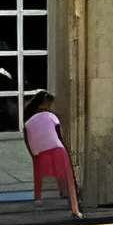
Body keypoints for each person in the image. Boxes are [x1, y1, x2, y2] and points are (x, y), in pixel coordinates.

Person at [22, 89, 80, 217]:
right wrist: (67, 152)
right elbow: (59, 136)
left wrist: (33, 154)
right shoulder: (51, 117)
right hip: (57, 149)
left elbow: (27, 140)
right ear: (44, 104)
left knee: (39, 177)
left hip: (39, 153)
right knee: (67, 178)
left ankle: (38, 200)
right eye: (49, 104)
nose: (50, 107)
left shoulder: (27, 122)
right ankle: (75, 209)